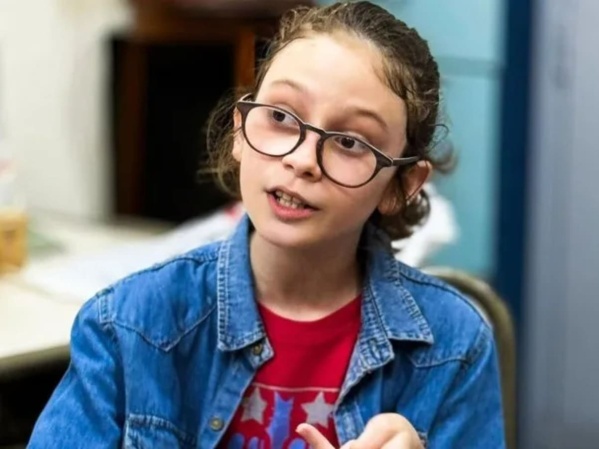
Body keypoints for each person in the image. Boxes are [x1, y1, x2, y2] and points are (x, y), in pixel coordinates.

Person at [27, 2, 505, 448]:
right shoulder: (127, 324)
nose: (302, 160)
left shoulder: (455, 345)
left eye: (351, 142)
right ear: (240, 129)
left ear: (402, 185)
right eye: (280, 116)